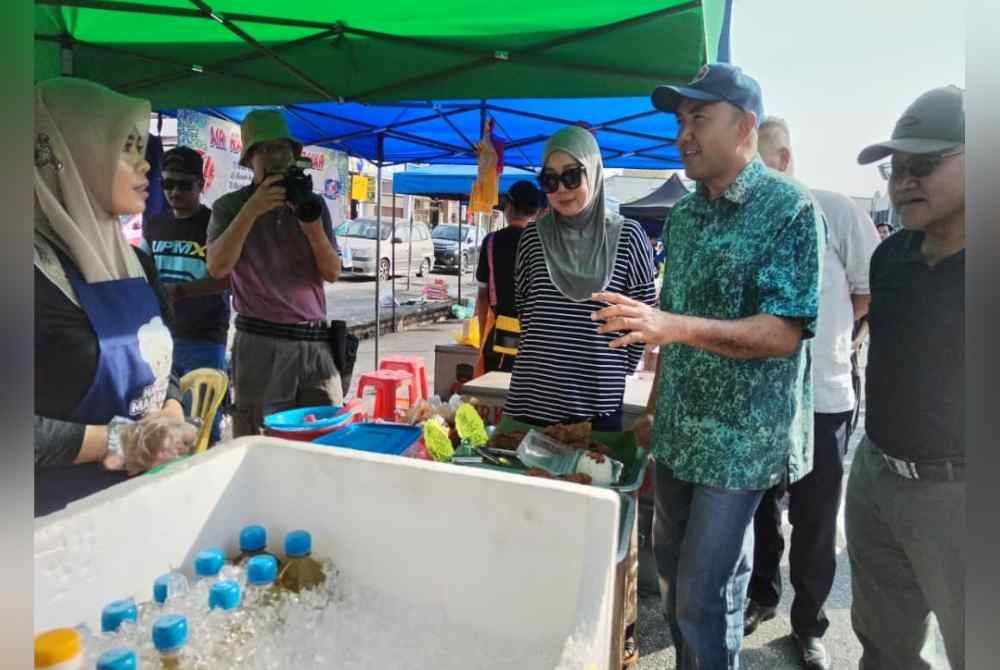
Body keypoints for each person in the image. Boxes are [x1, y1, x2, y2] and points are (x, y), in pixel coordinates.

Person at [593, 64, 824, 669]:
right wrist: (654, 408)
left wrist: (673, 327)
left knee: (702, 594)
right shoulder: (685, 217)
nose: (684, 134)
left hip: (742, 444)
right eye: (679, 120)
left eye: (699, 117)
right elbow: (667, 324)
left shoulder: (790, 210)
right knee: (673, 581)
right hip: (678, 433)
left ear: (745, 125)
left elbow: (781, 333)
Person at [503, 126, 656, 666]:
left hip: (597, 412)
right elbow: (526, 311)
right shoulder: (529, 239)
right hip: (531, 408)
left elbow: (644, 319)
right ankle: (530, 632)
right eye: (550, 179)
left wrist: (611, 368)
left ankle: (602, 641)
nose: (562, 188)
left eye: (573, 175)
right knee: (530, 525)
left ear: (594, 171)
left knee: (595, 538)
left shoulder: (630, 237)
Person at [745, 116, 880, 670]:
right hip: (762, 396)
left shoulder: (835, 210)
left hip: (824, 396)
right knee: (759, 506)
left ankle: (810, 624)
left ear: (782, 160)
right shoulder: (754, 221)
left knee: (816, 518)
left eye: (759, 170)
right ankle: (762, 596)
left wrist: (833, 341)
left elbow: (869, 288)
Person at [34, 78, 197, 517]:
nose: (145, 167)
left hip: (141, 501)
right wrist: (120, 441)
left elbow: (165, 360)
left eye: (141, 149)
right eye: (126, 148)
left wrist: (172, 411)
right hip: (49, 521)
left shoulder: (135, 262)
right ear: (70, 156)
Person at [848, 85, 965, 670]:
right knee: (886, 649)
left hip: (963, 496)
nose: (903, 181)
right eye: (897, 168)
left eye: (925, 164)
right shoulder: (889, 259)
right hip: (877, 478)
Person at [206, 110, 343, 438]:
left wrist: (310, 226)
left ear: (295, 155)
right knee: (259, 440)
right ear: (250, 158)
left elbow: (333, 272)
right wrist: (253, 209)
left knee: (326, 436)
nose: (276, 157)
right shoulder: (228, 207)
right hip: (259, 342)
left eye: (283, 148)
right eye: (265, 149)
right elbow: (217, 268)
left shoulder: (312, 204)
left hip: (314, 343)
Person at [141, 147, 230, 444]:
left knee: (204, 427)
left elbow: (228, 279)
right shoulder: (154, 224)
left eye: (184, 184)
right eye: (167, 184)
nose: (174, 191)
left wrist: (180, 291)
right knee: (163, 428)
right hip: (161, 339)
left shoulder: (214, 224)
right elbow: (145, 271)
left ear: (201, 185)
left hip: (205, 339)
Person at [474, 180, 542, 376]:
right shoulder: (544, 244)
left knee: (497, 395)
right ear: (536, 211)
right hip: (536, 339)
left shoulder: (491, 242)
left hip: (500, 336)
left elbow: (482, 296)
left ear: (508, 207)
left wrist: (481, 338)